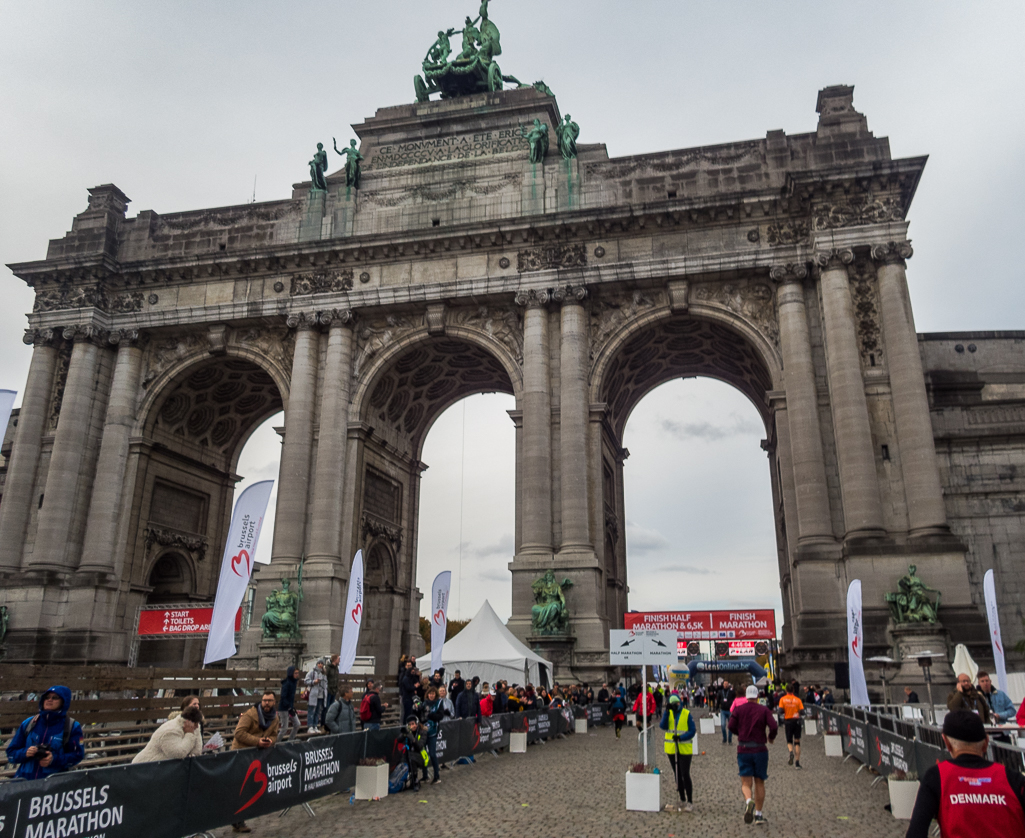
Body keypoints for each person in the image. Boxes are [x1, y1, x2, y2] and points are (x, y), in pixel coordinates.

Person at [906, 709, 1025, 838]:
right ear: (986, 743)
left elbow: (916, 832)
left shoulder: (937, 776)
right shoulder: (1013, 779)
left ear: (947, 743)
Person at [5, 685, 85, 781]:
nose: (49, 700)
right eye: (46, 697)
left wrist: (54, 759)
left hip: (52, 786)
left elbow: (78, 755)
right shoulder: (29, 723)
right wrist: (25, 753)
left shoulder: (72, 726)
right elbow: (11, 753)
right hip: (24, 783)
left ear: (64, 701)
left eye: (55, 697)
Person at [231, 691, 280, 834]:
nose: (266, 703)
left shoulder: (274, 718)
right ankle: (237, 820)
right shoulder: (250, 715)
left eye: (269, 700)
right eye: (264, 700)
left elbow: (274, 735)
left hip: (258, 755)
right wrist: (257, 741)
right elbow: (239, 733)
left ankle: (241, 817)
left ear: (274, 702)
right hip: (242, 753)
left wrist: (271, 741)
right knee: (241, 788)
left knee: (251, 788)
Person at [728, 685, 778, 826]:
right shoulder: (763, 710)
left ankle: (749, 801)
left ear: (746, 696)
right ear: (757, 697)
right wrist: (771, 737)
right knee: (760, 782)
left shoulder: (739, 709)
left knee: (745, 783)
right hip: (760, 749)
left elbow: (731, 726)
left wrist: (740, 734)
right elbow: (774, 726)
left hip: (744, 748)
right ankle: (758, 814)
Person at [660, 693, 696, 813]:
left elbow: (692, 730)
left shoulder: (686, 713)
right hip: (671, 748)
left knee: (685, 774)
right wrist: (666, 712)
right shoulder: (669, 713)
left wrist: (681, 737)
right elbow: (663, 726)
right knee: (677, 775)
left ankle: (690, 801)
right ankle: (682, 798)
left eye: (677, 703)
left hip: (684, 748)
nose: (676, 706)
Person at [133, 705, 204, 763]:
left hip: (160, 768)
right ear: (188, 722)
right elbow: (178, 754)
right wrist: (189, 735)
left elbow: (197, 751)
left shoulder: (193, 728)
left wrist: (195, 732)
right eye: (196, 724)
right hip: (144, 768)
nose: (197, 726)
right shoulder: (170, 731)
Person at [397, 716, 430, 792]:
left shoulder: (422, 732)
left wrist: (412, 738)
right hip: (409, 755)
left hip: (421, 756)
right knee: (403, 758)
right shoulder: (408, 731)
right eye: (410, 724)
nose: (412, 726)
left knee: (412, 758)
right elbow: (399, 739)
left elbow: (420, 746)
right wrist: (405, 733)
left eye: (413, 724)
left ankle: (415, 780)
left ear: (417, 724)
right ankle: (403, 781)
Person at [422, 685, 447, 784]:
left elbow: (440, 716)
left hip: (433, 731)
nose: (431, 696)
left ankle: (436, 775)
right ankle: (425, 775)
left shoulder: (439, 703)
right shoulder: (424, 704)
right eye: (430, 694)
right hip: (424, 732)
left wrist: (431, 715)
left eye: (433, 694)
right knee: (424, 755)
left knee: (432, 754)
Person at [778, 682, 805, 769]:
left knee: (789, 740)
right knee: (797, 741)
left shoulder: (782, 699)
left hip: (788, 721)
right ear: (793, 690)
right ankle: (797, 763)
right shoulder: (798, 700)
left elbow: (780, 711)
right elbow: (802, 712)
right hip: (796, 721)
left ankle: (790, 751)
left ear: (786, 690)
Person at [279, 665, 301, 741]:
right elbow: (283, 697)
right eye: (295, 673)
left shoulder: (294, 683)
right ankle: (276, 743)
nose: (297, 675)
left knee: (297, 724)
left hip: (290, 708)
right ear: (291, 673)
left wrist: (292, 707)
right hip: (284, 708)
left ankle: (290, 741)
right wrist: (288, 707)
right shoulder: (287, 683)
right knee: (284, 728)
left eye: (298, 673)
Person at [305, 660, 329, 732]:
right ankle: (310, 726)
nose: (320, 665)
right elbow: (306, 680)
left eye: (322, 663)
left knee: (318, 712)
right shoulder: (312, 672)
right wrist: (313, 682)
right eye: (319, 663)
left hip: (321, 695)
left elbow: (326, 684)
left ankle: (315, 726)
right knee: (311, 711)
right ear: (316, 664)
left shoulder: (324, 673)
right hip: (313, 694)